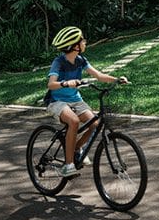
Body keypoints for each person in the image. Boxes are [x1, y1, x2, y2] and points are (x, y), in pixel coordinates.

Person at [46, 26, 127, 177]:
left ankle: (75, 149)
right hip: (57, 101)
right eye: (82, 40)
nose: (84, 42)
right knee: (74, 122)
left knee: (95, 124)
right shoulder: (59, 62)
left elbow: (99, 75)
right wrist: (66, 83)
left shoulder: (81, 60)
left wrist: (116, 79)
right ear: (74, 46)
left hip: (75, 100)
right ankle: (68, 165)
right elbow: (51, 84)